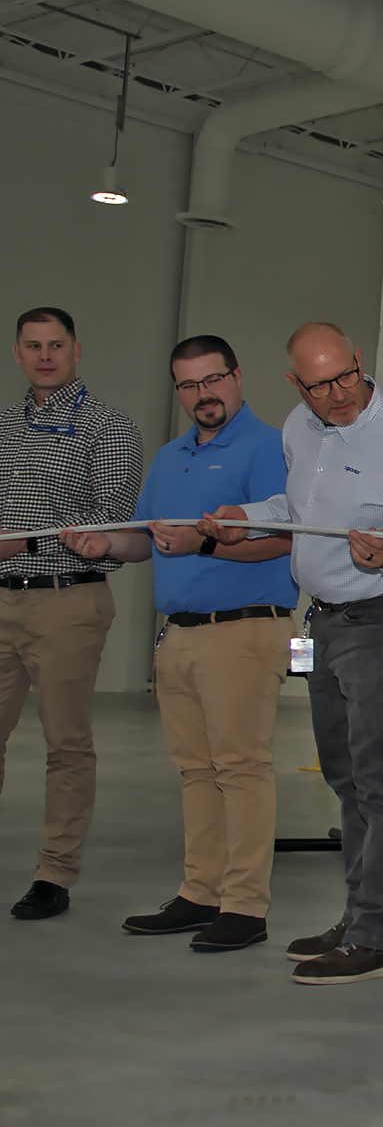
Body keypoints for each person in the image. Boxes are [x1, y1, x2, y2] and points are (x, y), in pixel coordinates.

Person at [203, 322, 383, 984]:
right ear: (297, 385)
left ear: (360, 362)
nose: (337, 394)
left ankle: (379, 936)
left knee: (380, 779)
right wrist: (250, 515)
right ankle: (359, 914)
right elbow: (299, 507)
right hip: (321, 625)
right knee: (345, 775)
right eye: (318, 385)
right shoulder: (300, 426)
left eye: (345, 376)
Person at [61, 335, 296, 952]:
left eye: (213, 381)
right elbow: (147, 539)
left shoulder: (269, 446)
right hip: (180, 635)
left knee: (241, 769)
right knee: (196, 770)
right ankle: (201, 891)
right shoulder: (168, 458)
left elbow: (290, 537)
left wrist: (208, 544)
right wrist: (104, 545)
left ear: (237, 378)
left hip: (243, 629)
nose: (203, 395)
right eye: (189, 385)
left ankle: (244, 906)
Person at [0, 307, 143, 921]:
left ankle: (54, 873)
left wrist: (27, 543)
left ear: (76, 351)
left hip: (67, 598)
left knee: (65, 743)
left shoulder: (108, 428)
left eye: (56, 344)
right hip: (1, 598)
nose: (45, 355)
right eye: (33, 345)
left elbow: (112, 521)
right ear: (18, 354)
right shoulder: (4, 427)